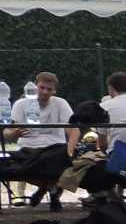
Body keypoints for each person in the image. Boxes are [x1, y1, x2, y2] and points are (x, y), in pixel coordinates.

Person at [2, 72, 80, 209]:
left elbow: (73, 130)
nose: (45, 92)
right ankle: (51, 189)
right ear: (35, 86)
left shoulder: (61, 103)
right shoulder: (20, 104)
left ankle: (45, 189)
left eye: (49, 89)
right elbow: (7, 133)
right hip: (29, 149)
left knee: (60, 161)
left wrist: (70, 150)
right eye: (42, 87)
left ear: (54, 91)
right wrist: (14, 133)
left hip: (55, 150)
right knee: (30, 165)